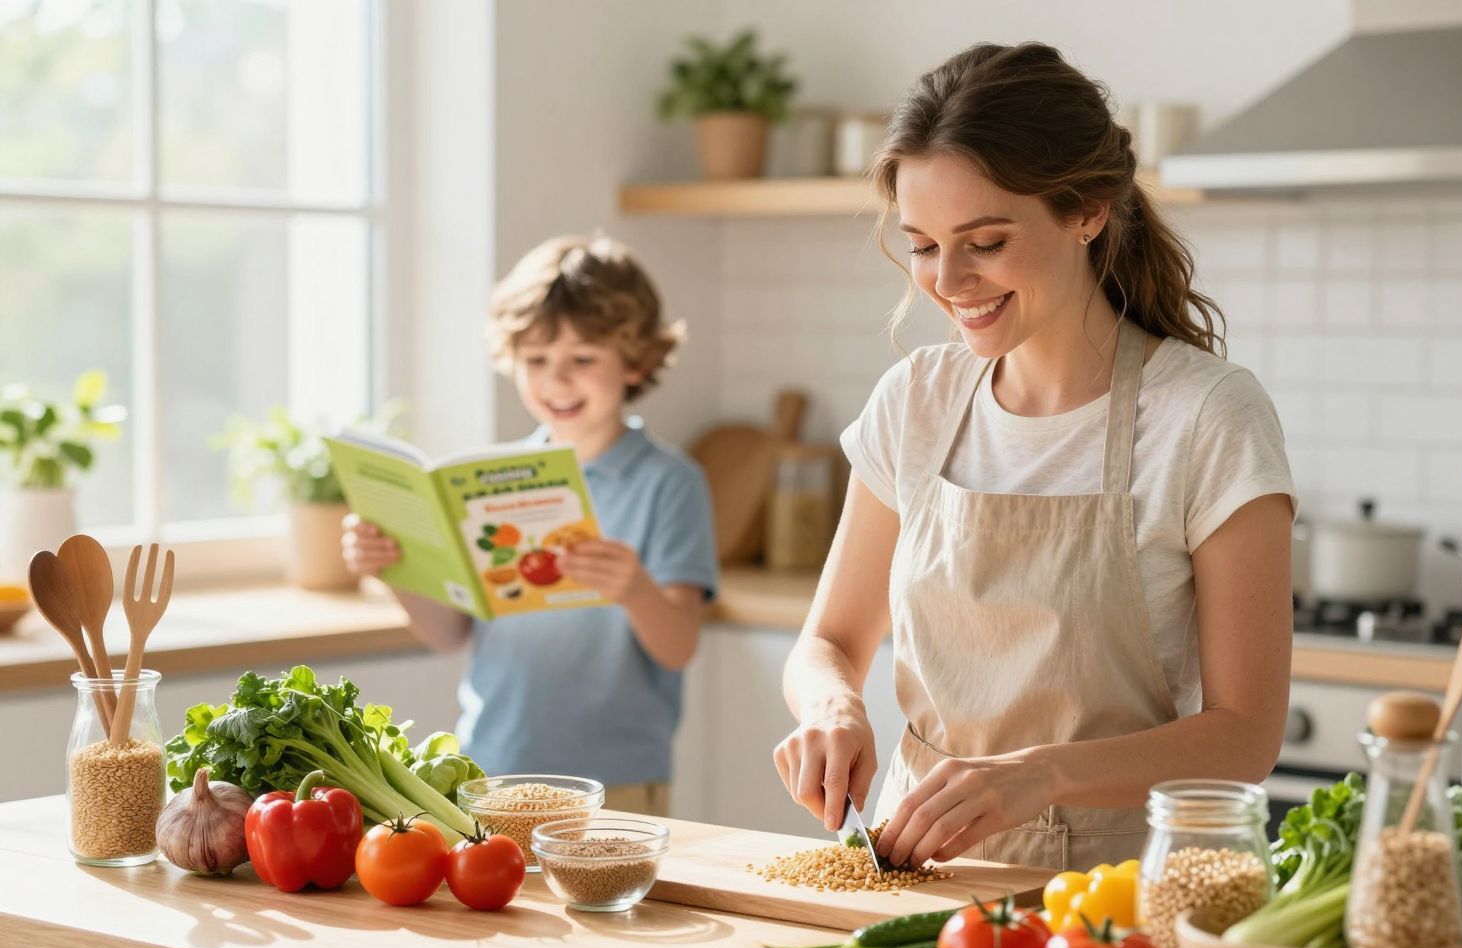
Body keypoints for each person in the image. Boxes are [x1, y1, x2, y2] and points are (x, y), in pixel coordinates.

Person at [773, 42, 1296, 871]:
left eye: (983, 241)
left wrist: (1035, 777)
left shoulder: (1207, 416)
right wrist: (833, 707)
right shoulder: (916, 400)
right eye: (922, 243)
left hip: (1128, 891)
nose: (947, 280)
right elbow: (829, 640)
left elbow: (1246, 735)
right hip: (916, 871)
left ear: (1087, 211)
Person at [343, 235, 718, 816]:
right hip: (492, 766)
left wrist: (633, 589)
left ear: (636, 360)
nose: (556, 381)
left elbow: (678, 646)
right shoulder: (493, 483)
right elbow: (449, 636)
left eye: (583, 359)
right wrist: (393, 569)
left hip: (617, 780)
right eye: (536, 360)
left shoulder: (669, 482)